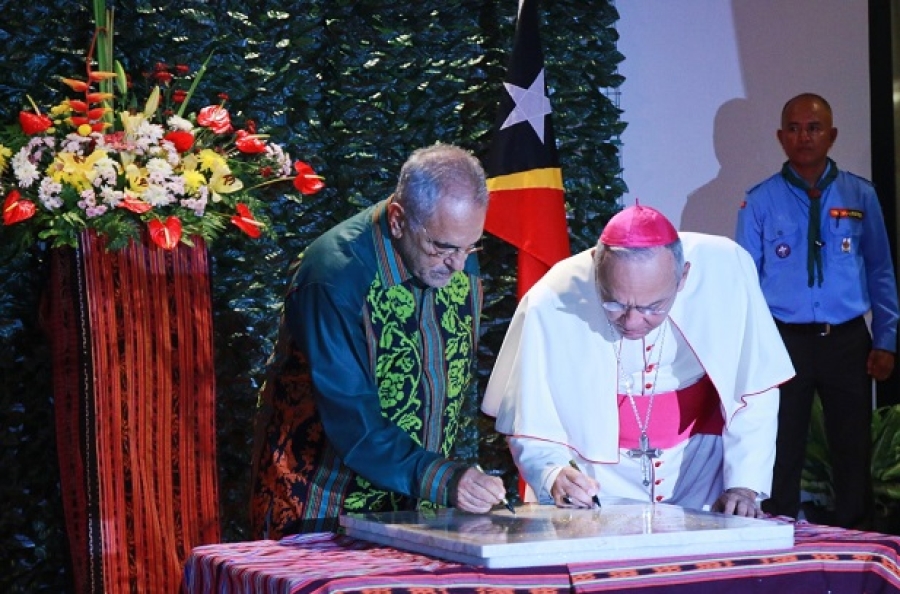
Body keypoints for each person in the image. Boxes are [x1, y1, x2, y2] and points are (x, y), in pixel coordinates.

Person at [250, 143, 507, 538]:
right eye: (443, 248)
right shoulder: (335, 276)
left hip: (420, 512)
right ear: (400, 219)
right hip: (322, 509)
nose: (459, 264)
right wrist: (443, 479)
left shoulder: (454, 253)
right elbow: (352, 417)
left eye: (471, 246)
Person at [482, 204, 795, 517]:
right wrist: (553, 473)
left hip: (699, 472)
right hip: (597, 487)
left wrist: (744, 484)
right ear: (595, 265)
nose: (631, 322)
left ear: (683, 276)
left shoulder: (725, 272)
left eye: (653, 307)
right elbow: (531, 420)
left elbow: (754, 390)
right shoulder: (551, 300)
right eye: (614, 303)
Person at [735, 93, 900, 529]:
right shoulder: (760, 201)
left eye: (813, 127)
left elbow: (881, 270)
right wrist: (749, 350)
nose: (803, 136)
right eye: (793, 128)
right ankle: (776, 537)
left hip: (846, 339)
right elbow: (745, 285)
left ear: (832, 135)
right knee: (780, 445)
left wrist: (886, 339)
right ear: (780, 137)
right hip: (782, 339)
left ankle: (855, 538)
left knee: (852, 446)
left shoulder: (859, 194)